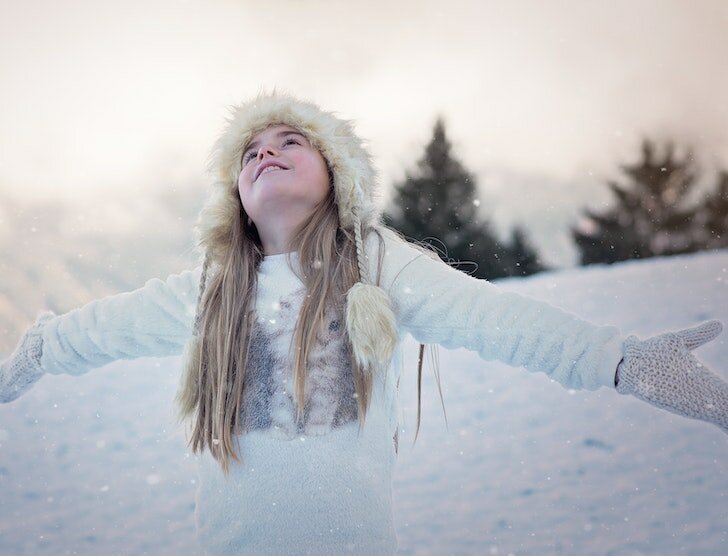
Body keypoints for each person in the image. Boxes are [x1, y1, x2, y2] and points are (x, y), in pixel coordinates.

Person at [1, 93, 726, 556]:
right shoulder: (212, 291)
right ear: (236, 200)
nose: (266, 153)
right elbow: (102, 328)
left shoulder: (375, 264)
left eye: (291, 141)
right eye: (250, 154)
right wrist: (37, 351)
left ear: (337, 174)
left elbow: (493, 318)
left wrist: (621, 360)